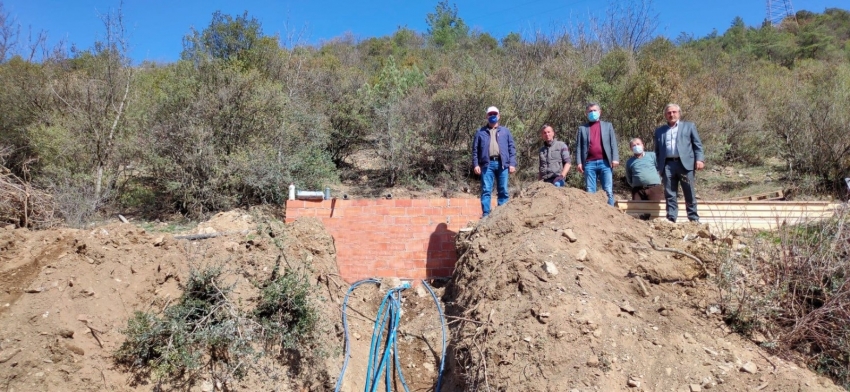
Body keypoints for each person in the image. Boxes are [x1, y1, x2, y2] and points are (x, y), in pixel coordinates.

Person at [654, 103, 705, 223]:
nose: (671, 114)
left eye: (674, 112)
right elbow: (657, 151)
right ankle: (671, 218)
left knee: (689, 191)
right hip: (668, 165)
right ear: (665, 115)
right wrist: (659, 166)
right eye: (669, 113)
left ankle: (693, 219)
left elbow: (697, 145)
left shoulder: (689, 126)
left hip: (685, 164)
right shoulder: (660, 131)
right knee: (670, 193)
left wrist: (699, 159)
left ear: (679, 113)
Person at [472, 106, 517, 217]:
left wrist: (512, 163)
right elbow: (475, 150)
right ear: (487, 116)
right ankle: (486, 214)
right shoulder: (480, 132)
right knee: (486, 190)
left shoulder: (505, 131)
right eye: (490, 114)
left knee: (503, 190)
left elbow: (512, 148)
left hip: (503, 164)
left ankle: (502, 215)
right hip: (487, 164)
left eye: (495, 114)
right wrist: (476, 164)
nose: (493, 116)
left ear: (499, 116)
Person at [575, 102, 619, 205]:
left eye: (595, 110)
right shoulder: (582, 129)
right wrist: (579, 162)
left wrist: (615, 158)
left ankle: (611, 214)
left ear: (600, 112)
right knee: (590, 190)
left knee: (608, 189)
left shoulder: (608, 126)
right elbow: (578, 147)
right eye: (590, 111)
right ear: (586, 113)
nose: (592, 113)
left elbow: (613, 143)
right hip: (589, 163)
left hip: (605, 162)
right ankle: (593, 216)